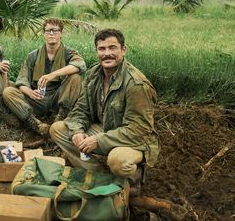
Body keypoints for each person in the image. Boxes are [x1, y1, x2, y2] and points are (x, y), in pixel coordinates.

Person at [49, 29, 159, 194]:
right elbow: (82, 109)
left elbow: (139, 131)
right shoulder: (94, 74)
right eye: (102, 49)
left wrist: (98, 141)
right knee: (58, 129)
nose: (107, 53)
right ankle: (100, 175)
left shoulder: (136, 84)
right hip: (106, 130)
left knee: (118, 160)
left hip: (135, 141)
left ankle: (134, 177)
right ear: (97, 51)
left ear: (123, 50)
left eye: (112, 48)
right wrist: (78, 131)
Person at [2, 18, 86, 137]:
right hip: (37, 99)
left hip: (58, 97)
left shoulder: (68, 52)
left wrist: (53, 74)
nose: (51, 33)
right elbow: (22, 80)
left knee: (76, 78)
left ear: (61, 34)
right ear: (44, 34)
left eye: (55, 30)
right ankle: (35, 124)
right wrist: (30, 92)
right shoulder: (33, 56)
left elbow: (80, 65)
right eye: (48, 31)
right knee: (8, 91)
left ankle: (60, 117)